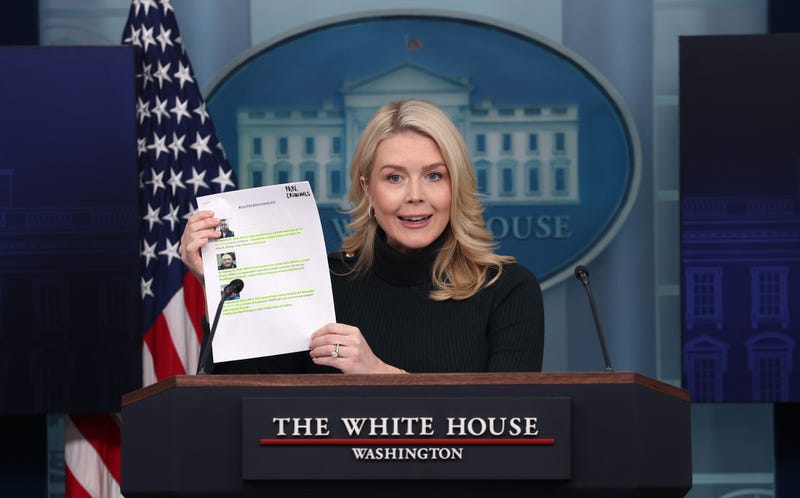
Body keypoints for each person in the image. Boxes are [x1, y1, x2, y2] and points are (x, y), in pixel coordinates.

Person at [180, 99, 544, 374]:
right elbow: (243, 406)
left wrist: (379, 374)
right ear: (368, 191)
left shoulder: (508, 289)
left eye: (434, 175)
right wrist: (220, 288)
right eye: (394, 177)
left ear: (456, 185)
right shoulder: (318, 283)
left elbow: (509, 427)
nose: (415, 195)